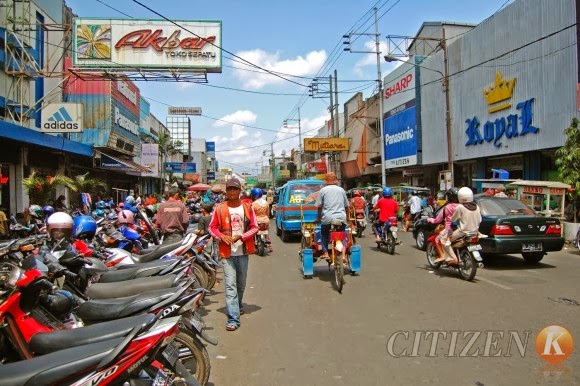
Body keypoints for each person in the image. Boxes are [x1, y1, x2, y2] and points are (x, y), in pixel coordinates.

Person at [209, 178, 258, 331]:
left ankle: (238, 304)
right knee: (230, 285)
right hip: (226, 252)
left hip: (243, 251)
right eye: (229, 189)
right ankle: (233, 319)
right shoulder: (219, 208)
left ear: (239, 190)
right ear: (226, 191)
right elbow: (212, 228)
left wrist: (242, 237)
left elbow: (255, 227)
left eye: (234, 189)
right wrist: (222, 237)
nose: (231, 192)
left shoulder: (247, 207)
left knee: (241, 283)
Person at [442, 187, 482, 265]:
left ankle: (452, 258)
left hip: (462, 232)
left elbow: (453, 219)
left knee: (443, 240)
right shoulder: (477, 207)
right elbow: (480, 220)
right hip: (475, 232)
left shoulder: (460, 207)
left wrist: (449, 218)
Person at [315, 172, 349, 260]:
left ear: (326, 181)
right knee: (342, 235)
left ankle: (325, 252)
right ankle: (344, 254)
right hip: (341, 217)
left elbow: (319, 206)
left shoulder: (323, 190)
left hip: (328, 218)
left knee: (324, 234)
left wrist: (318, 218)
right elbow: (346, 207)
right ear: (335, 181)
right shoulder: (341, 190)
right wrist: (348, 219)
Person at [427, 187, 460, 263]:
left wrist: (429, 219)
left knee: (437, 239)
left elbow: (437, 220)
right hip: (462, 228)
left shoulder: (447, 207)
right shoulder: (463, 206)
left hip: (449, 229)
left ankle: (442, 256)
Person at [251, 187, 273, 252]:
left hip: (257, 222)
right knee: (267, 233)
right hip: (266, 221)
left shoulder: (254, 204)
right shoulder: (266, 203)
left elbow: (252, 214)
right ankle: (270, 246)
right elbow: (267, 213)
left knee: (252, 233)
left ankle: (253, 246)